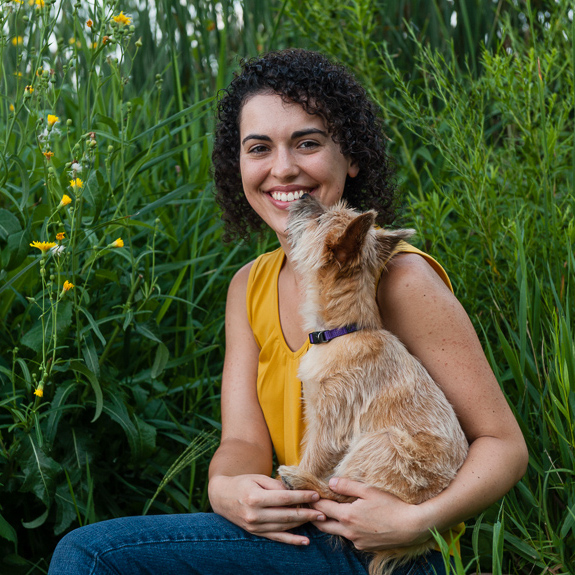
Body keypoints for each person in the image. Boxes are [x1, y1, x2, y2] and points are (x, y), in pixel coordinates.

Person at [48, 49, 528, 575]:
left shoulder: (398, 277)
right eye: (259, 148)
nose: (282, 168)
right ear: (239, 166)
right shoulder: (247, 287)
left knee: (91, 556)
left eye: (308, 142)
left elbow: (503, 445)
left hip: (391, 553)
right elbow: (242, 442)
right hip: (298, 537)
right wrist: (227, 490)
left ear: (352, 156)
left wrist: (419, 522)